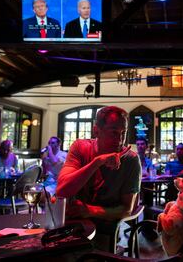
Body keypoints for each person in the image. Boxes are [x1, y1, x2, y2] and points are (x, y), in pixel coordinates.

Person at [56, 106, 141, 251]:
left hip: (105, 231)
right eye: (114, 133)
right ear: (96, 131)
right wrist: (97, 162)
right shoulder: (80, 147)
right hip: (71, 224)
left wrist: (89, 210)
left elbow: (127, 209)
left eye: (124, 133)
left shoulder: (131, 160)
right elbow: (62, 190)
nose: (120, 140)